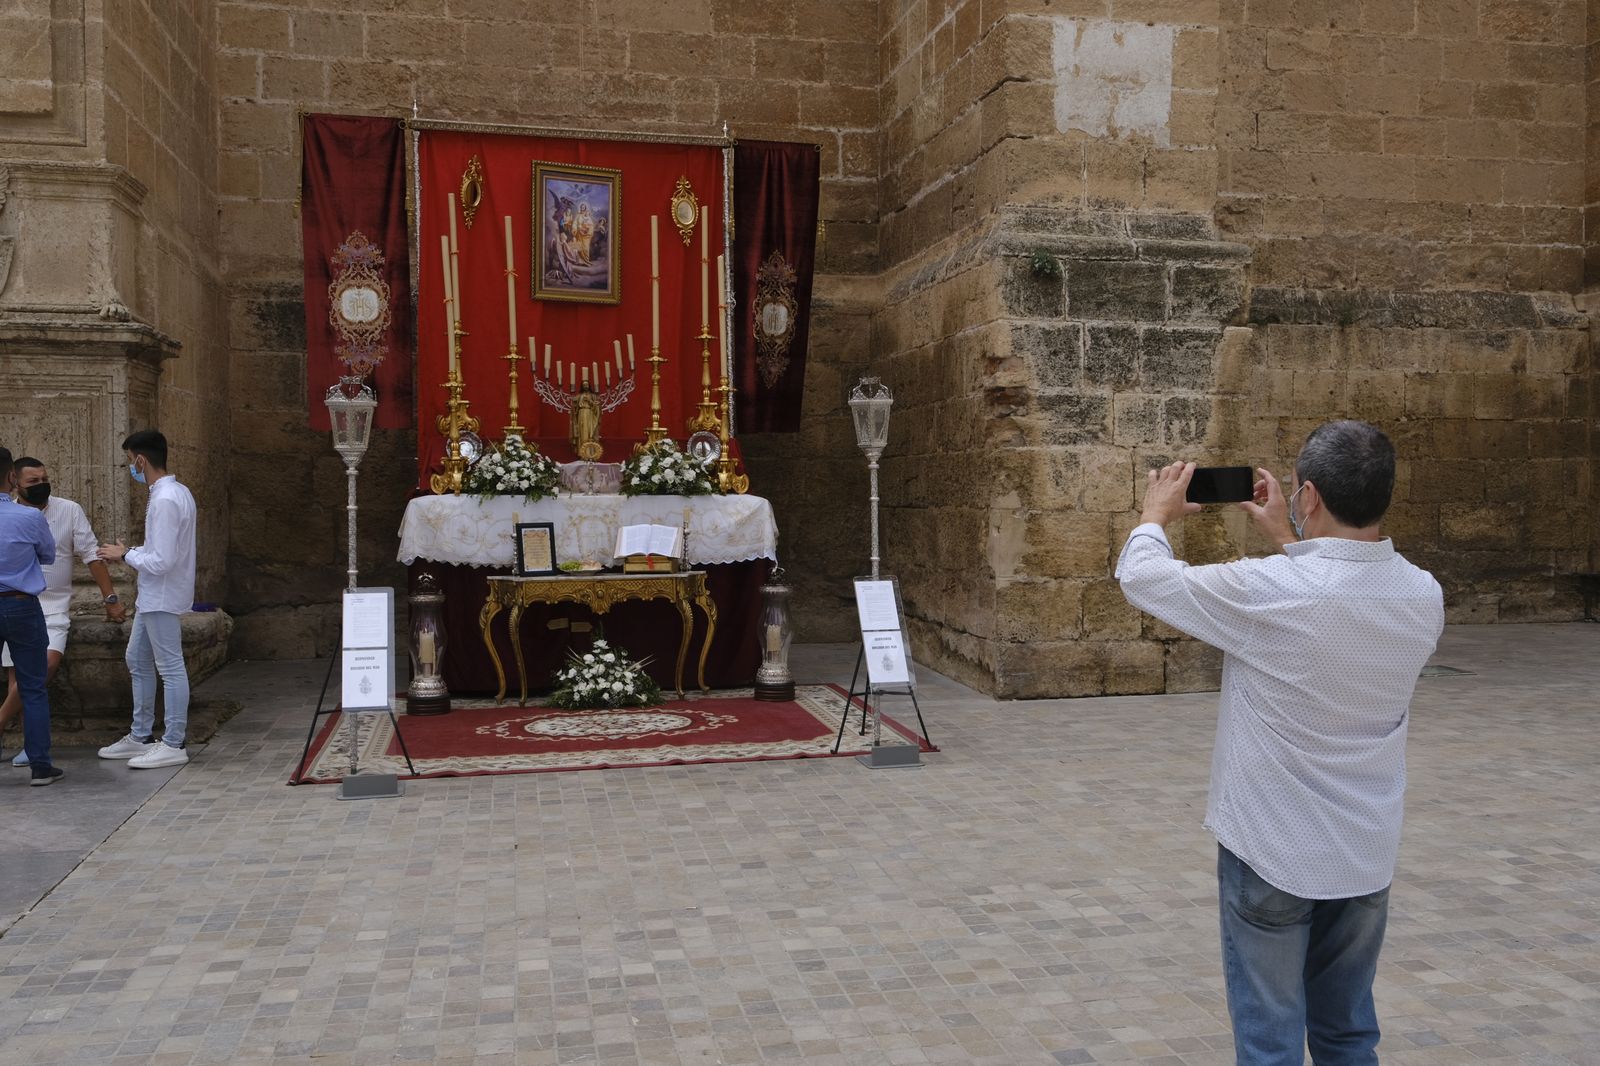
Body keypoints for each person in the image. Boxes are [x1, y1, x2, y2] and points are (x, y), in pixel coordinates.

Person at [1115, 421, 1444, 1065]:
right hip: (1363, 853)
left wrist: (1155, 514)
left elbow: (1143, 577)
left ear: (1311, 495)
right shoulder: (1423, 595)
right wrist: (1286, 534)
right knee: (1348, 1031)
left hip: (1272, 850)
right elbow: (1338, 595)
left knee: (1269, 1040)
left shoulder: (1273, 593)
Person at [0, 458, 126, 767]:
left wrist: (110, 598)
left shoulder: (68, 510)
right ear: (15, 481)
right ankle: (32, 749)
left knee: (44, 666)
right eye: (33, 481)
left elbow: (91, 555)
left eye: (45, 477)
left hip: (52, 606)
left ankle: (1, 721)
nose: (41, 484)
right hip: (19, 603)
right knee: (20, 678)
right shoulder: (13, 514)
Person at [97, 430, 197, 769]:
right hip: (153, 594)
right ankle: (140, 735)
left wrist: (126, 554)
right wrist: (130, 552)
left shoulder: (166, 498)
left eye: (130, 462)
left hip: (162, 595)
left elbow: (163, 561)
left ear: (140, 459)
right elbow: (159, 552)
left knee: (170, 667)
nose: (131, 469)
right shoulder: (173, 492)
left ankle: (173, 742)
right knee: (137, 659)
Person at [0, 446, 62, 785]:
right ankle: (40, 765)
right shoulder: (29, 517)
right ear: (12, 478)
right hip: (21, 604)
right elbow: (48, 554)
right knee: (33, 685)